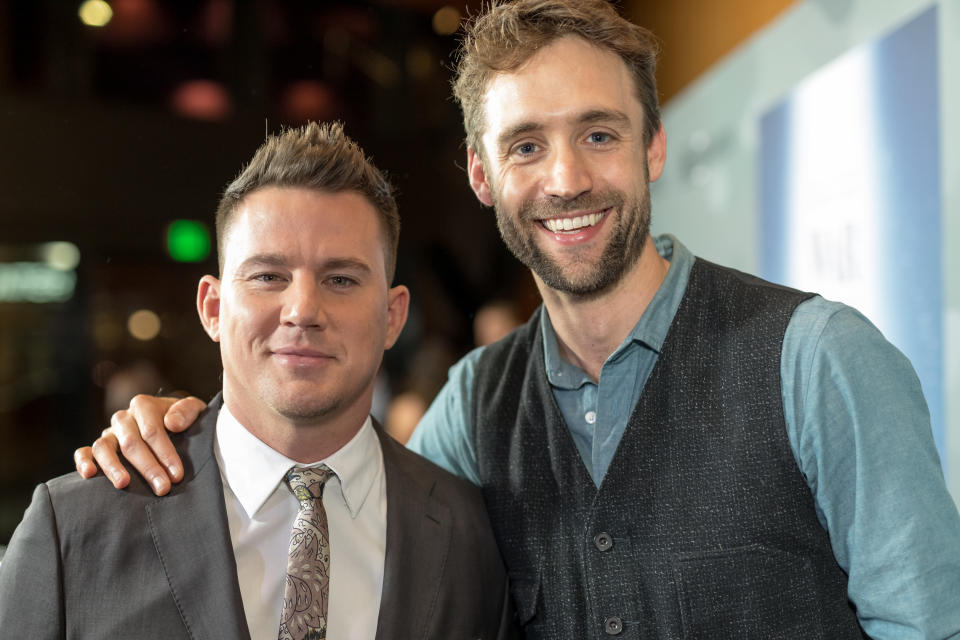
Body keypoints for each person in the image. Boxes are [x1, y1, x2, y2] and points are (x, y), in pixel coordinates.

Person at [74, 0, 960, 638]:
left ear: (654, 145)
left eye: (601, 134)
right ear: (481, 175)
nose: (566, 178)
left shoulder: (818, 361)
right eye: (526, 145)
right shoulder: (471, 408)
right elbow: (335, 524)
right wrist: (191, 441)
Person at [0, 122, 517, 640]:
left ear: (392, 317)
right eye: (268, 276)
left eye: (341, 279)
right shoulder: (72, 530)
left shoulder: (472, 540)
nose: (303, 310)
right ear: (213, 308)